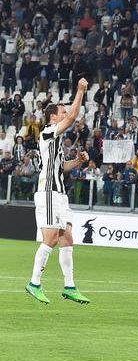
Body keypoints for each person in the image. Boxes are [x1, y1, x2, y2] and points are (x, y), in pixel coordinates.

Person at [26, 78, 91, 305]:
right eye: (62, 112)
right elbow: (73, 117)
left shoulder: (57, 141)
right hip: (48, 192)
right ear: (53, 117)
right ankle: (34, 283)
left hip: (60, 194)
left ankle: (70, 286)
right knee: (51, 238)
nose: (65, 115)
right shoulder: (48, 132)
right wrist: (80, 90)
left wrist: (78, 161)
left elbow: (62, 168)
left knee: (67, 238)